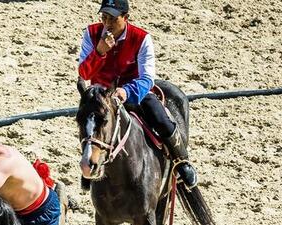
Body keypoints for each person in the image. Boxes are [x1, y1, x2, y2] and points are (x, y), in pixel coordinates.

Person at [77, 0, 198, 188]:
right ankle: (88, 162)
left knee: (161, 119)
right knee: (87, 123)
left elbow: (147, 78)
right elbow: (84, 73)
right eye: (104, 17)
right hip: (101, 96)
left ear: (125, 18)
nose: (107, 24)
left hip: (133, 92)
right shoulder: (91, 34)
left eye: (112, 19)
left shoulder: (141, 38)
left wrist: (127, 91)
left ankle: (182, 161)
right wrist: (100, 52)